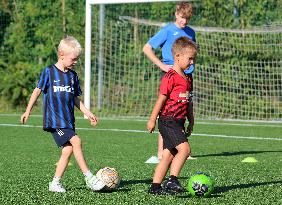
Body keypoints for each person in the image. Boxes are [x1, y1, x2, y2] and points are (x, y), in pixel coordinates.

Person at [20, 36, 105, 193]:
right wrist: (28, 110)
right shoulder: (49, 72)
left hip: (68, 121)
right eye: (73, 59)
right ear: (61, 54)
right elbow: (37, 90)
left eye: (77, 59)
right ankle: (89, 177)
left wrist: (88, 113)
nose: (75, 62)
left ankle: (55, 183)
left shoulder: (72, 76)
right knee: (76, 141)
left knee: (67, 150)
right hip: (54, 120)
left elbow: (75, 99)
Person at [143, 1, 196, 161]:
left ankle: (182, 149)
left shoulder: (191, 32)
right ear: (176, 14)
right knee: (168, 113)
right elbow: (147, 48)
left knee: (183, 108)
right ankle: (161, 152)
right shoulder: (167, 31)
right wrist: (162, 65)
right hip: (172, 75)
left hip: (187, 77)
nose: (184, 21)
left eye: (187, 18)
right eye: (181, 17)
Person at [147, 37, 197, 195]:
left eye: (193, 59)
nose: (192, 62)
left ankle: (155, 187)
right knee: (185, 150)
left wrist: (191, 121)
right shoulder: (170, 77)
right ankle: (172, 180)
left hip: (179, 122)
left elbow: (188, 102)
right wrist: (151, 120)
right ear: (178, 57)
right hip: (168, 121)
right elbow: (160, 100)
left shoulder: (188, 78)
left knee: (168, 155)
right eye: (189, 59)